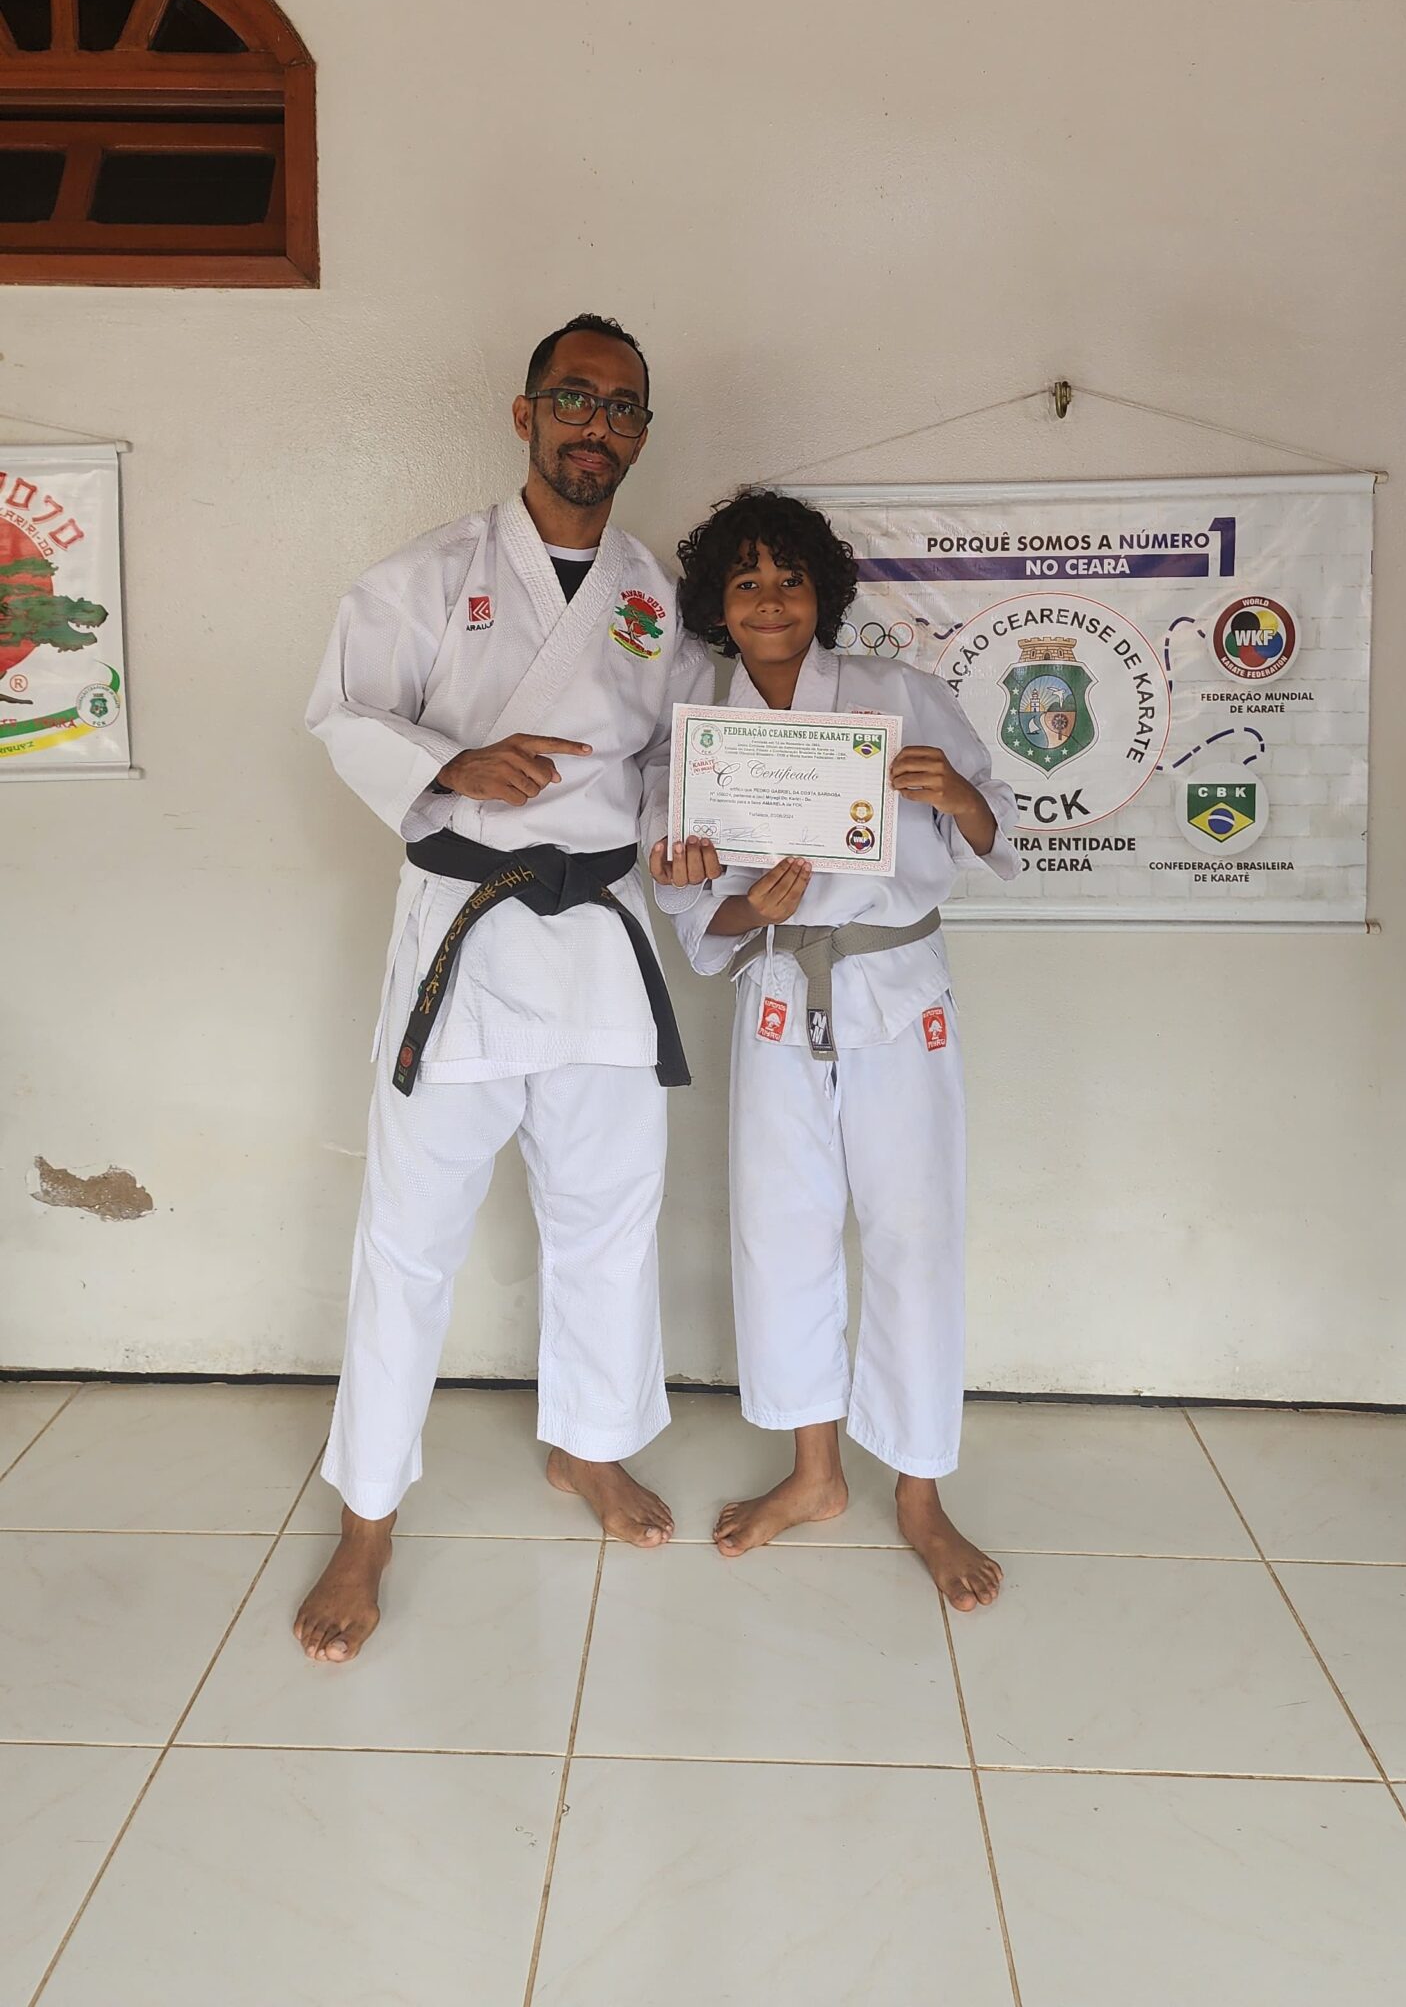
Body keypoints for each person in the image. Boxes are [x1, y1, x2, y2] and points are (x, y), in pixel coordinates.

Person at [295, 316, 716, 1662]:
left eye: (621, 406)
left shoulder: (653, 594)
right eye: (573, 398)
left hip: (599, 931)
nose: (596, 424)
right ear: (525, 413)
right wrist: (451, 764)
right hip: (467, 938)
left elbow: (674, 755)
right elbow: (343, 711)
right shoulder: (429, 575)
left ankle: (588, 1445)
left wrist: (684, 827)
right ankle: (368, 1514)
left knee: (608, 1216)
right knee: (408, 1236)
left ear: (640, 432)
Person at [654, 489, 1020, 1612]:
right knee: (782, 1231)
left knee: (914, 1231)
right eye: (745, 582)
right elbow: (689, 902)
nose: (769, 600)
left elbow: (997, 827)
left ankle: (919, 1489)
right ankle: (814, 1471)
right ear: (717, 605)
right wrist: (733, 901)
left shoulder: (896, 695)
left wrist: (957, 792)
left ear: (823, 591)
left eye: (789, 578)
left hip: (897, 988)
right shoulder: (697, 725)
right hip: (777, 987)